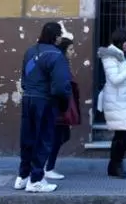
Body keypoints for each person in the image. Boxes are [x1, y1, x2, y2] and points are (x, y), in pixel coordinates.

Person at [14, 22, 72, 193]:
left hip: (28, 98)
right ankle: (36, 180)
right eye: (60, 34)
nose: (61, 37)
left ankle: (22, 177)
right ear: (55, 36)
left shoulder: (30, 51)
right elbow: (61, 86)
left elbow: (24, 78)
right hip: (45, 101)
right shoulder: (56, 55)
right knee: (43, 140)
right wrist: (63, 103)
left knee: (27, 139)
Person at [98, 30, 126, 178]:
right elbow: (115, 79)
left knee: (124, 132)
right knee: (123, 132)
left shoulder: (125, 55)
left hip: (123, 99)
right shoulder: (109, 56)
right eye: (125, 41)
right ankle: (116, 164)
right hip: (114, 100)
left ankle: (115, 164)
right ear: (118, 41)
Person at [44, 29, 81, 181]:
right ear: (64, 50)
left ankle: (45, 165)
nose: (73, 52)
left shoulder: (65, 64)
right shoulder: (60, 65)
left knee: (62, 136)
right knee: (58, 137)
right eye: (71, 49)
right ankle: (47, 167)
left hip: (63, 107)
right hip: (59, 108)